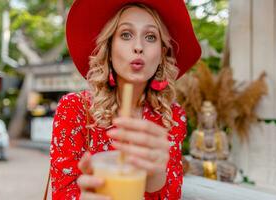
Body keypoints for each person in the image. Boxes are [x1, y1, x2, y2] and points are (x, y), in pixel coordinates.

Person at [50, 0, 201, 199]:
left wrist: (155, 175)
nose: (138, 47)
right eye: (126, 35)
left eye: (150, 37)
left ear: (162, 53)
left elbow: (171, 195)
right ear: (109, 48)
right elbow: (63, 192)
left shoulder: (171, 116)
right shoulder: (75, 108)